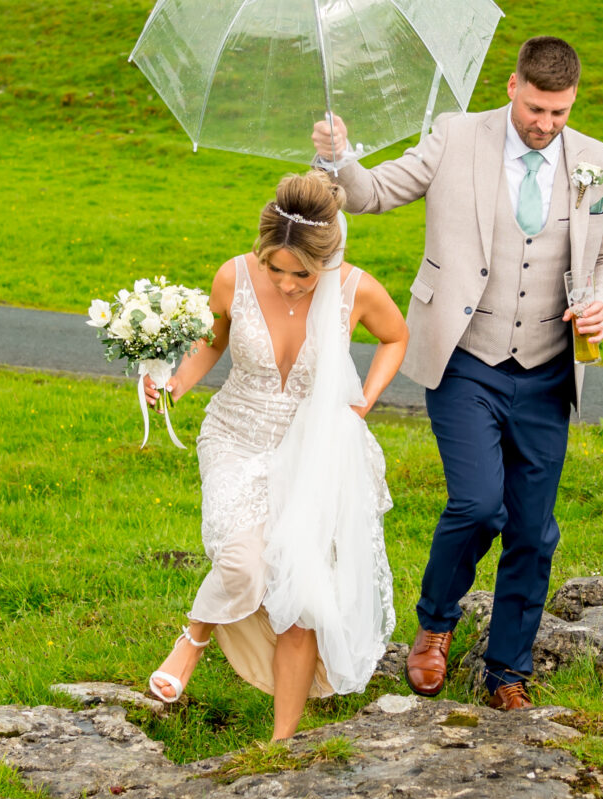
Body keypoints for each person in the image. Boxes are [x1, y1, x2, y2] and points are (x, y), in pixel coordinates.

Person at [312, 34, 603, 711]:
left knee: (535, 530)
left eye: (560, 113)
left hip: (548, 367)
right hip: (464, 357)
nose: (545, 125)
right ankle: (435, 622)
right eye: (536, 107)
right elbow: (373, 193)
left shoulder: (600, 163)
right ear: (514, 85)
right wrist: (338, 158)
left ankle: (508, 671)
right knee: (480, 503)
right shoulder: (456, 136)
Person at [142, 170, 409, 741]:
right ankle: (192, 642)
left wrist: (363, 402)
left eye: (303, 276)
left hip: (313, 450)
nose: (288, 284)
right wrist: (173, 388)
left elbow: (396, 336)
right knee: (243, 562)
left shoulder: (356, 288)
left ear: (329, 261)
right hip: (237, 437)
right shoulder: (231, 278)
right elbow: (212, 342)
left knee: (302, 589)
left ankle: (281, 742)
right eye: (275, 268)